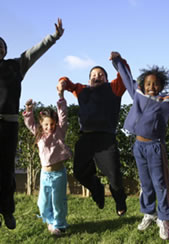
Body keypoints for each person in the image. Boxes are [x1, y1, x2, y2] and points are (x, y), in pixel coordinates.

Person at [0, 18, 65, 233]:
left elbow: (35, 52)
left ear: (6, 49)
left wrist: (53, 37)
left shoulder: (16, 66)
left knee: (7, 169)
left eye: (0, 44)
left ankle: (8, 210)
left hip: (10, 124)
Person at [110, 51, 169, 240]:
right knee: (146, 184)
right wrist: (117, 61)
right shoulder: (137, 94)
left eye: (155, 84)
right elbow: (127, 77)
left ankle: (164, 219)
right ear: (143, 85)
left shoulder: (165, 101)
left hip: (155, 147)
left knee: (160, 184)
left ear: (162, 85)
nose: (151, 87)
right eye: (148, 84)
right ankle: (149, 213)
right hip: (139, 147)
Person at [58, 61, 127, 216]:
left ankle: (120, 200)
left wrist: (118, 61)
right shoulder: (83, 90)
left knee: (114, 174)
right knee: (79, 172)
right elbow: (69, 83)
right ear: (89, 80)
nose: (97, 77)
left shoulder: (114, 88)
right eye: (94, 75)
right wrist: (62, 82)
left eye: (101, 75)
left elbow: (124, 76)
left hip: (106, 137)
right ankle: (97, 188)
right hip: (86, 137)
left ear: (107, 79)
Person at [23, 80, 71, 236]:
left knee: (58, 202)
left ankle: (60, 225)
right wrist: (29, 110)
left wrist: (61, 96)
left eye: (51, 124)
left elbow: (63, 116)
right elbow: (29, 123)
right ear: (42, 125)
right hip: (45, 175)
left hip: (59, 174)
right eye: (46, 125)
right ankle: (51, 222)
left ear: (55, 124)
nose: (49, 127)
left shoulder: (60, 132)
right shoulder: (39, 135)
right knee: (42, 204)